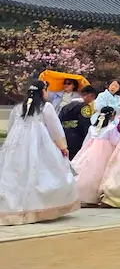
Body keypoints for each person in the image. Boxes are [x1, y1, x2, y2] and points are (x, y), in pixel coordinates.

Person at [0, 78, 79, 225]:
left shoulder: (18, 108)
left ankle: (14, 207)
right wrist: (62, 146)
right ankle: (38, 207)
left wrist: (10, 146)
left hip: (16, 146)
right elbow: (55, 128)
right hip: (39, 144)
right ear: (43, 91)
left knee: (16, 176)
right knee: (40, 173)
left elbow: (11, 128)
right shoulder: (46, 107)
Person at [71, 103, 120, 204]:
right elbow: (115, 141)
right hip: (106, 150)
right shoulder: (111, 127)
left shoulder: (92, 127)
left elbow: (87, 140)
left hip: (90, 149)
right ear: (112, 116)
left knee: (90, 170)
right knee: (103, 171)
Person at [57, 84, 97, 160]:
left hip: (64, 133)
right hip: (76, 136)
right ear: (90, 96)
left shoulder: (67, 106)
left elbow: (59, 119)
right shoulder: (85, 107)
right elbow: (84, 123)